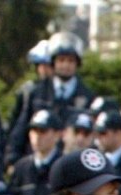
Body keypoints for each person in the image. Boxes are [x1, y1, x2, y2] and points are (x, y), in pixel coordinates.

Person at [7, 32, 94, 166]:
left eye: (70, 61)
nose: (65, 65)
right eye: (61, 60)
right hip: (36, 161)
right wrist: (12, 159)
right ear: (53, 62)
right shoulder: (35, 92)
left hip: (71, 163)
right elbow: (21, 127)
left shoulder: (88, 96)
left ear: (77, 64)